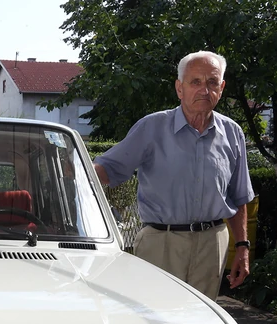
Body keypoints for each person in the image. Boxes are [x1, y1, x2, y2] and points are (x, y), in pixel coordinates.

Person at [93, 50, 255, 300]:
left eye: (212, 82)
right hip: (161, 243)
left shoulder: (232, 133)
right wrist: (71, 171)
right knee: (153, 316)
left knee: (202, 318)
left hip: (212, 244)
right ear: (180, 88)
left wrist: (243, 247)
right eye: (195, 82)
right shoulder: (152, 127)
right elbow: (108, 168)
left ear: (222, 88)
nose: (204, 90)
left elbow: (239, 195)